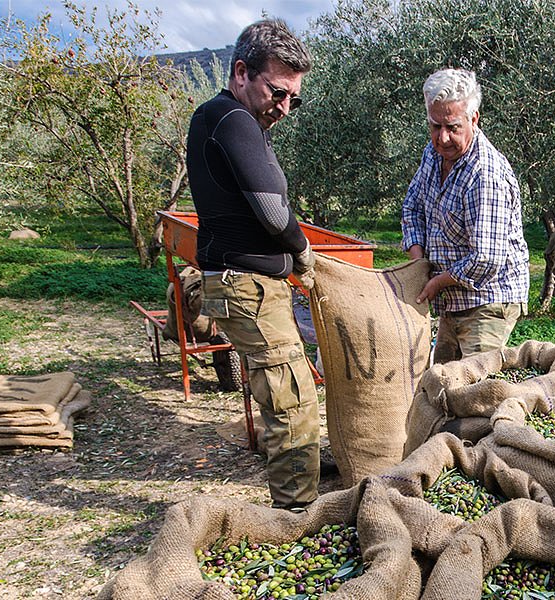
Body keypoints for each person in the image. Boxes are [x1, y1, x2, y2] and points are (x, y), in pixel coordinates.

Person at [185, 18, 319, 509]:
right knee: (292, 398)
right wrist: (302, 252)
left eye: (293, 99)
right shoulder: (233, 118)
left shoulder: (218, 118)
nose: (284, 108)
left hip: (242, 283)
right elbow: (270, 209)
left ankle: (296, 476)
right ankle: (295, 510)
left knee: (279, 389)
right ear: (241, 72)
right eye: (277, 92)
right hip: (248, 287)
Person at [401, 68, 529, 364]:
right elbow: (412, 207)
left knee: (474, 390)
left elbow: (486, 259)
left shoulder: (485, 175)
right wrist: (419, 263)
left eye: (453, 127)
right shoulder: (433, 155)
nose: (443, 137)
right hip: (453, 298)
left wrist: (435, 283)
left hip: (489, 298)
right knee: (442, 379)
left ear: (474, 119)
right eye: (435, 126)